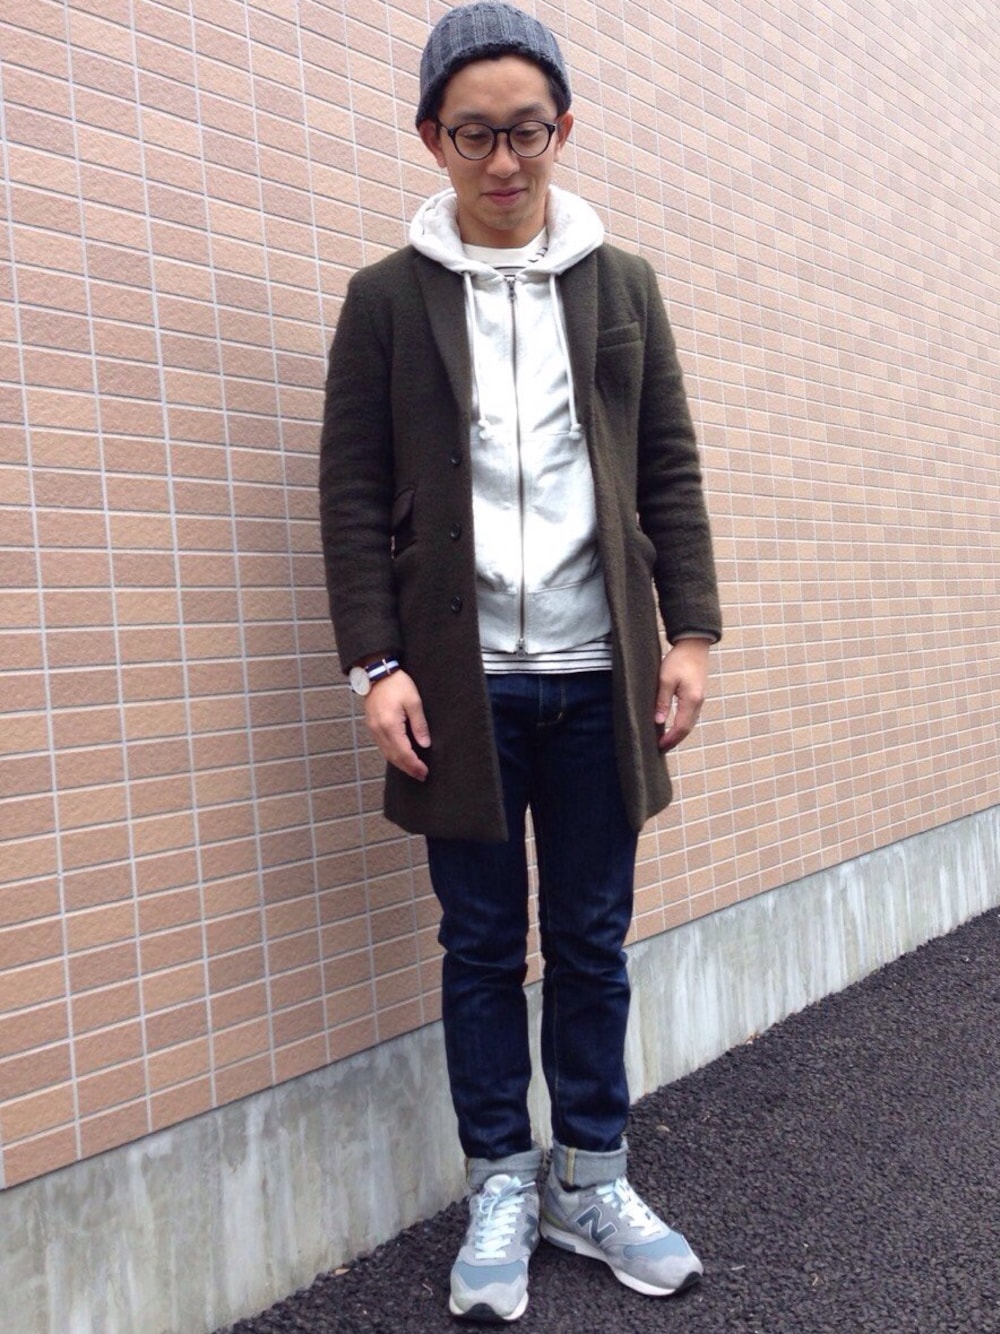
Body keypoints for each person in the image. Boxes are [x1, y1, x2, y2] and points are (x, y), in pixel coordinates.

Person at [319, 2, 722, 1321]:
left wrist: (691, 632)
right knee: (484, 943)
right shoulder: (387, 300)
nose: (504, 160)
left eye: (527, 131)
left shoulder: (624, 284)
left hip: (602, 672)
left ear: (564, 130)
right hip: (461, 685)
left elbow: (668, 465)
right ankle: (501, 1176)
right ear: (432, 138)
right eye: (475, 134)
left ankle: (591, 1178)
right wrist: (375, 664)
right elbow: (351, 493)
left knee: (593, 939)